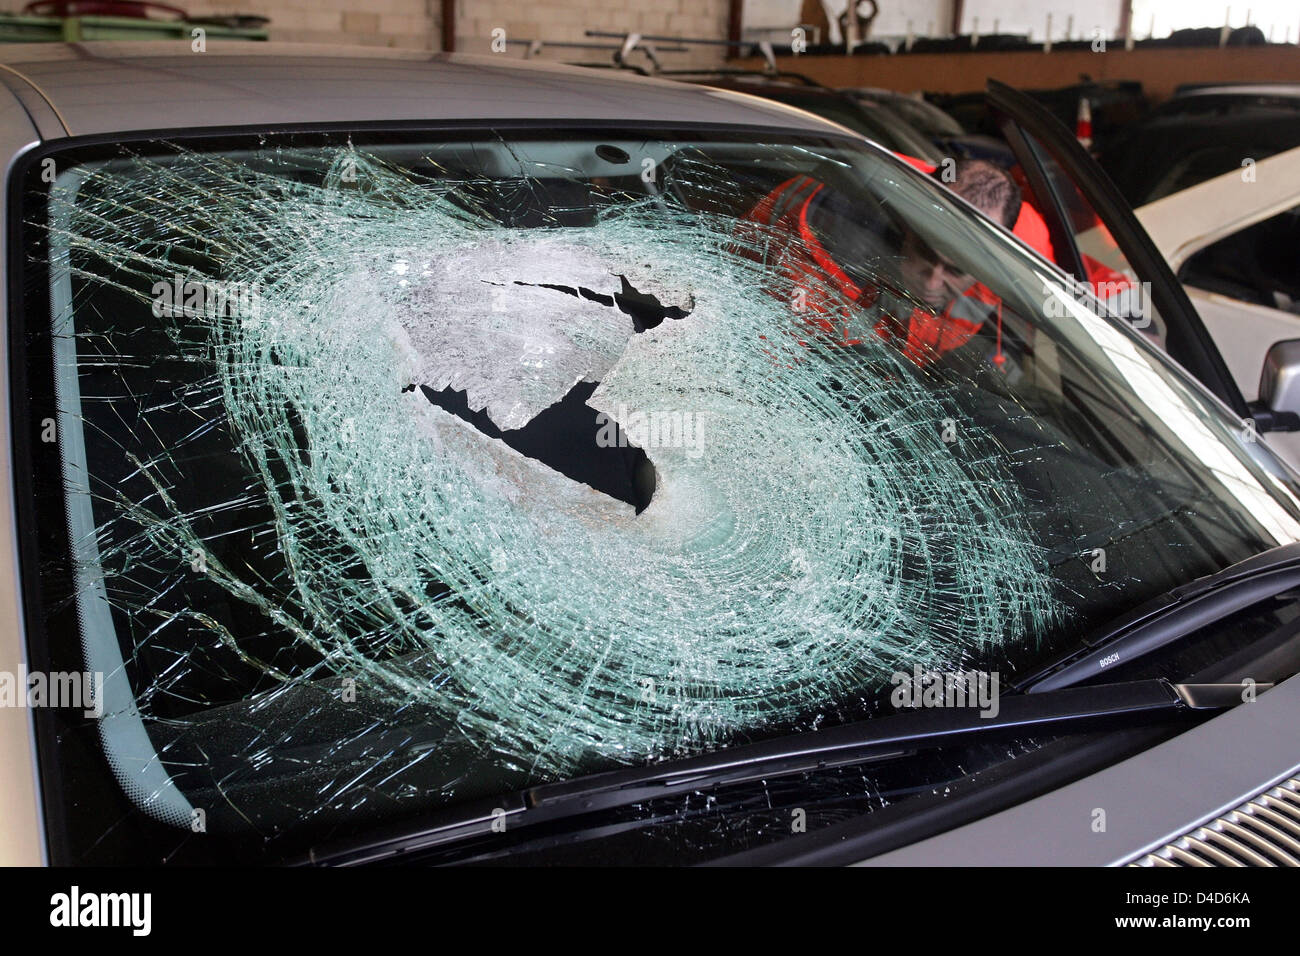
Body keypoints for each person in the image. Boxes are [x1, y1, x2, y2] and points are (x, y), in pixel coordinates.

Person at [746, 157, 1030, 369]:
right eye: (925, 252)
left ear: (986, 264)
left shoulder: (993, 287)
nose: (931, 282)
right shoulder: (813, 253)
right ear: (908, 223)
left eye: (956, 271)